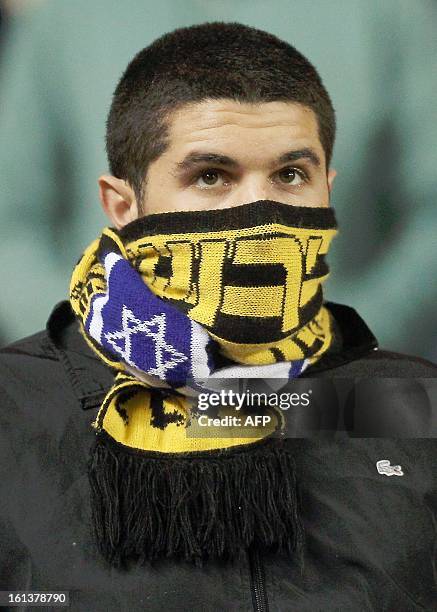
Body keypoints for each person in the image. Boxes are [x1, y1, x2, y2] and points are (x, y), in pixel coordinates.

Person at [0, 22, 436, 611]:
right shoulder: (15, 406)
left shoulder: (411, 403)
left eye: (290, 174)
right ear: (123, 206)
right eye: (210, 175)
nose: (259, 212)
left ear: (326, 191)